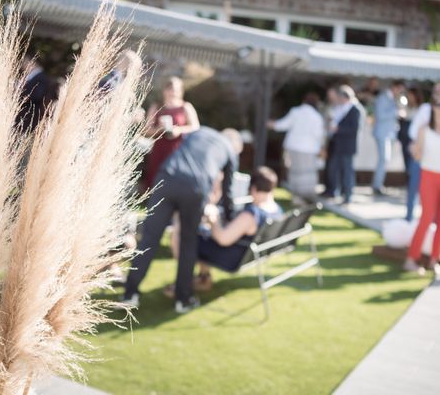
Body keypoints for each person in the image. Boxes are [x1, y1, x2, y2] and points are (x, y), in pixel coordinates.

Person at [122, 127, 243, 313]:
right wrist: (230, 218)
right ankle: (182, 300)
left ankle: (130, 294)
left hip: (167, 177)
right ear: (236, 146)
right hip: (196, 187)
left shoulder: (200, 131)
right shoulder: (230, 150)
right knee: (188, 242)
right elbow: (227, 191)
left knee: (149, 238)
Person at [404, 92, 440, 275]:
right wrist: (413, 150)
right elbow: (418, 155)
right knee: (427, 217)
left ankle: (434, 259)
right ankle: (411, 259)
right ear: (432, 107)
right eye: (438, 104)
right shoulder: (423, 129)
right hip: (429, 177)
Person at [405, 80, 440, 221]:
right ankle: (409, 217)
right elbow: (413, 131)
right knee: (414, 188)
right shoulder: (425, 109)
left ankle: (436, 223)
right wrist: (420, 145)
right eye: (436, 91)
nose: (438, 94)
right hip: (425, 161)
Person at [268, 92, 325, 204]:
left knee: (295, 172)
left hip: (293, 147)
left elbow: (283, 124)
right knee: (307, 173)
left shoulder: (296, 112)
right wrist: (321, 148)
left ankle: (296, 197)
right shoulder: (317, 117)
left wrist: (272, 124)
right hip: (309, 149)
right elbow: (319, 135)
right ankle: (306, 196)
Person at [144, 76, 200, 188]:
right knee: (156, 175)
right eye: (170, 88)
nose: (173, 92)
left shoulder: (186, 107)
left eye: (176, 89)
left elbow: (196, 127)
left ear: (181, 91)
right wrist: (160, 129)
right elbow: (146, 131)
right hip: (160, 148)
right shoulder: (157, 107)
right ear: (165, 90)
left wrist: (179, 130)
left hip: (179, 149)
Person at [325, 85, 361, 204]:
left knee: (347, 171)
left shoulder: (355, 110)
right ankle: (336, 191)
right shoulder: (339, 108)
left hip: (347, 146)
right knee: (334, 168)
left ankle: (348, 196)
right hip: (337, 145)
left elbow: (354, 128)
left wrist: (338, 129)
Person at [372, 80, 406, 195]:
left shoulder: (393, 99)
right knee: (384, 159)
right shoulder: (383, 98)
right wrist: (396, 112)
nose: (400, 92)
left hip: (389, 134)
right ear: (394, 87)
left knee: (385, 160)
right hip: (382, 133)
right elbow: (380, 115)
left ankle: (378, 184)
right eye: (399, 89)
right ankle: (377, 186)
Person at [16, 54, 54, 133]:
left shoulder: (41, 78)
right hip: (21, 119)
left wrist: (18, 91)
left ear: (32, 62)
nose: (23, 65)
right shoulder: (29, 77)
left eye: (25, 62)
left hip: (28, 119)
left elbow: (36, 96)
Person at [398, 86, 423, 175]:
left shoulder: (420, 108)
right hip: (405, 138)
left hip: (414, 139)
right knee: (406, 160)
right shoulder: (405, 106)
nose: (409, 97)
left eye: (410, 95)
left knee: (412, 160)